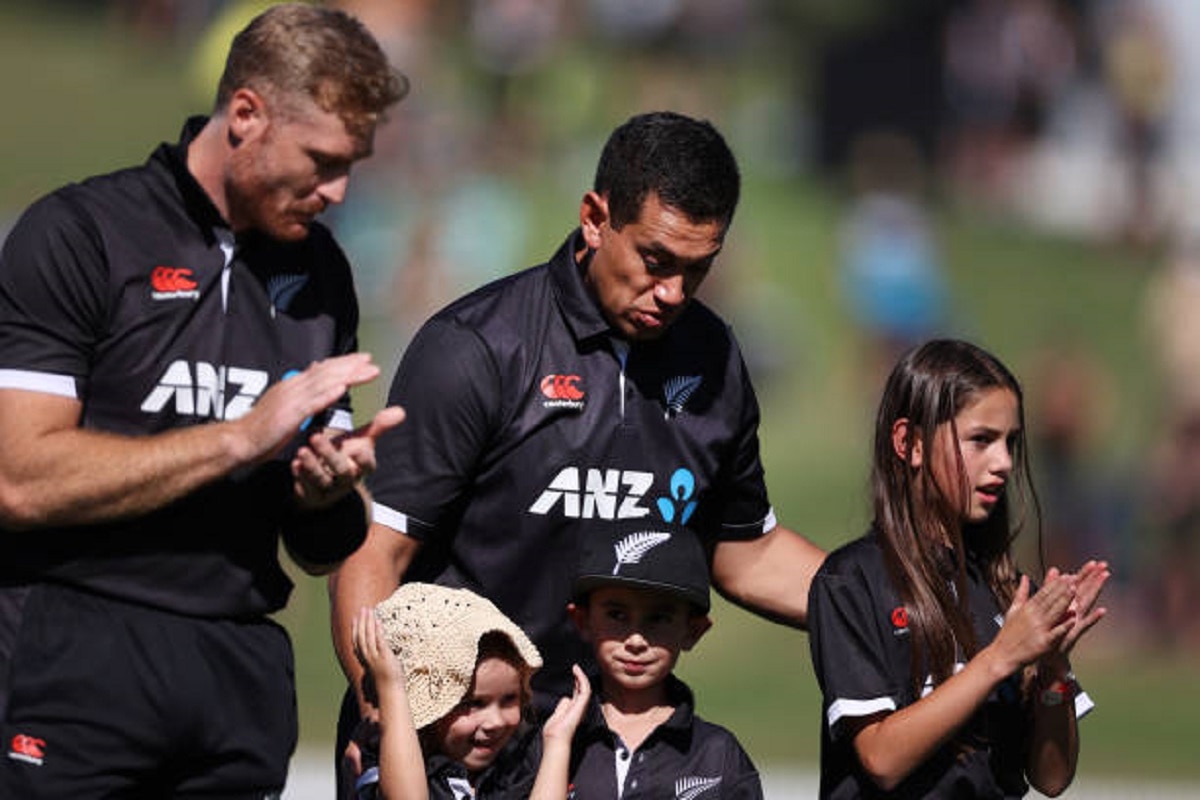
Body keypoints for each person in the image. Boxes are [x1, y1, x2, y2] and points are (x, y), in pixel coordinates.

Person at [329, 110, 826, 786]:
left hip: (593, 748)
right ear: (595, 218)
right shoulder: (478, 348)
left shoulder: (713, 358)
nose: (674, 292)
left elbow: (745, 551)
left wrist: (902, 606)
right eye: (655, 261)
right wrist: (382, 713)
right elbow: (372, 552)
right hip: (453, 743)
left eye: (697, 270)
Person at [0, 4, 408, 797]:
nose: (339, 190)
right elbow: (18, 478)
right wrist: (241, 437)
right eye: (322, 161)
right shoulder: (80, 235)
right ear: (246, 116)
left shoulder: (323, 272)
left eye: (353, 163)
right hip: (74, 652)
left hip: (239, 677)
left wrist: (326, 494)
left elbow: (318, 550)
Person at [807, 339, 1110, 798]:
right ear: (908, 442)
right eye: (981, 440)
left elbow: (1051, 778)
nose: (1004, 463)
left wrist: (1052, 669)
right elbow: (881, 759)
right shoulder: (852, 579)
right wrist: (1000, 657)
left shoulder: (1010, 589)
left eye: (1011, 442)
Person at [561, 527, 764, 798]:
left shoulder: (718, 754)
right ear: (582, 621)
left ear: (693, 631)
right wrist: (557, 745)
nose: (635, 640)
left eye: (658, 618)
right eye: (617, 614)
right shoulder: (553, 738)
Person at [349, 582, 591, 799]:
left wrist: (557, 742)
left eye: (510, 699)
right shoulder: (382, 766)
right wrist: (392, 686)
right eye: (473, 703)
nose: (495, 722)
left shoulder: (520, 767)